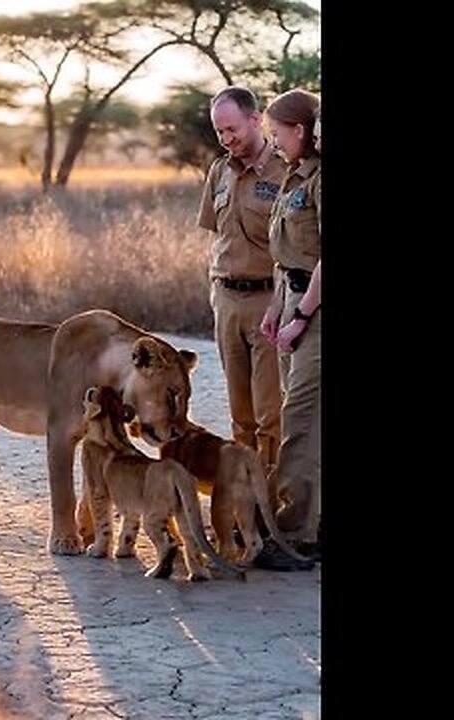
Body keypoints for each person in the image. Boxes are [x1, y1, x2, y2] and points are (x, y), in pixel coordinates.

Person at [196, 86, 287, 473]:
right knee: (240, 415)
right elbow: (215, 234)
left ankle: (273, 502)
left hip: (268, 299)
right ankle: (244, 498)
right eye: (219, 132)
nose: (226, 139)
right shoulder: (219, 170)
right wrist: (216, 292)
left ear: (255, 119)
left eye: (232, 129)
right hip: (226, 301)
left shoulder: (286, 170)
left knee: (270, 414)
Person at [254, 90, 323, 569]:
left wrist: (303, 314)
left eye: (278, 133)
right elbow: (286, 256)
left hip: (316, 307)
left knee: (302, 419)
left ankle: (297, 533)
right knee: (294, 413)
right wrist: (279, 307)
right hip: (294, 296)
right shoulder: (294, 177)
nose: (274, 142)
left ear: (300, 130)